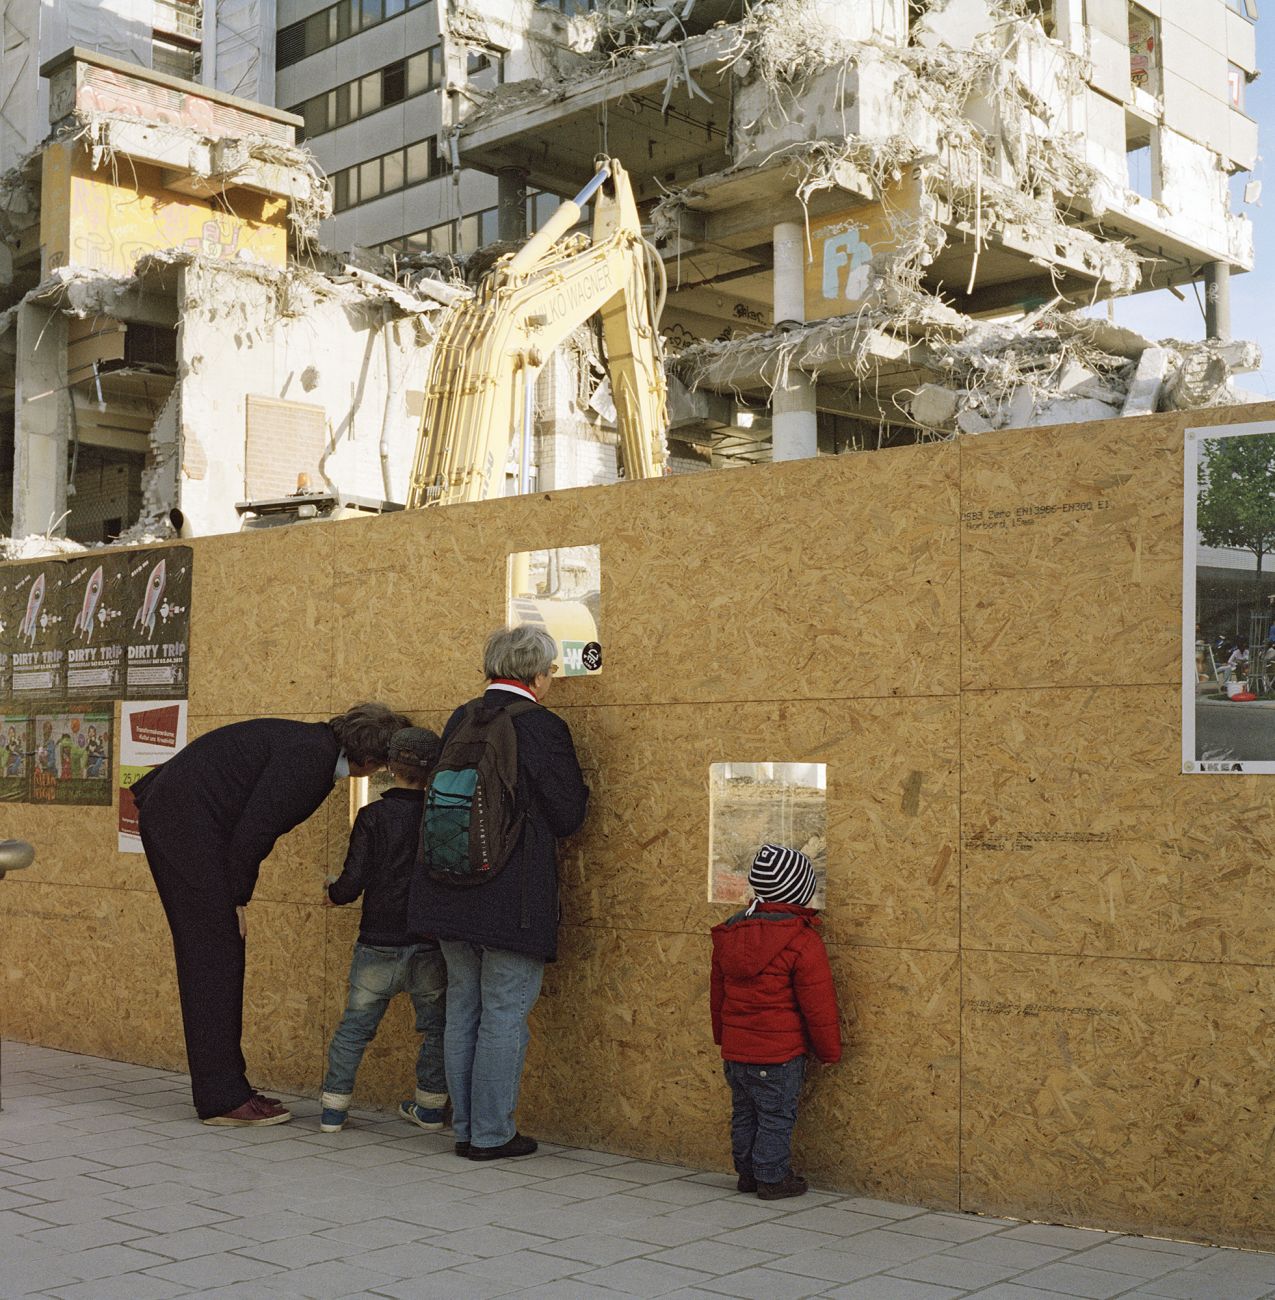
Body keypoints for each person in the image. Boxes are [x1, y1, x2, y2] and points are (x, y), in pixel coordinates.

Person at [131, 703, 410, 1126]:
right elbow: (255, 832)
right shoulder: (311, 764)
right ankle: (222, 1098)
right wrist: (237, 900)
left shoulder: (312, 744)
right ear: (369, 761)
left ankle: (226, 1088)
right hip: (183, 825)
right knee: (214, 959)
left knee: (217, 956)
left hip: (185, 818)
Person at [408, 625, 588, 1161]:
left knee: (464, 1006)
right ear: (536, 672)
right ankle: (492, 1134)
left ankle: (466, 1128)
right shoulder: (542, 727)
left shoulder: (462, 718)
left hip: (446, 887)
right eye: (551, 670)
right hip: (511, 893)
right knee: (505, 1012)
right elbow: (567, 814)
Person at [319, 726, 450, 1135]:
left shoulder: (371, 816)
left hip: (378, 942)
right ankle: (429, 1107)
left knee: (355, 1028)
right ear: (433, 771)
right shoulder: (439, 816)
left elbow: (353, 879)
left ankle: (333, 1111)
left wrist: (333, 894)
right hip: (427, 942)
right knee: (437, 1028)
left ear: (390, 766)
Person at [710, 843, 841, 1201]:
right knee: (775, 1116)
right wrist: (829, 1052)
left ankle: (747, 1174)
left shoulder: (731, 933)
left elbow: (718, 995)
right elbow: (819, 1006)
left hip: (737, 1054)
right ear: (800, 892)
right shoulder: (802, 940)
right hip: (778, 1056)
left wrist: (724, 1038)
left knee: (745, 1113)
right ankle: (771, 1178)